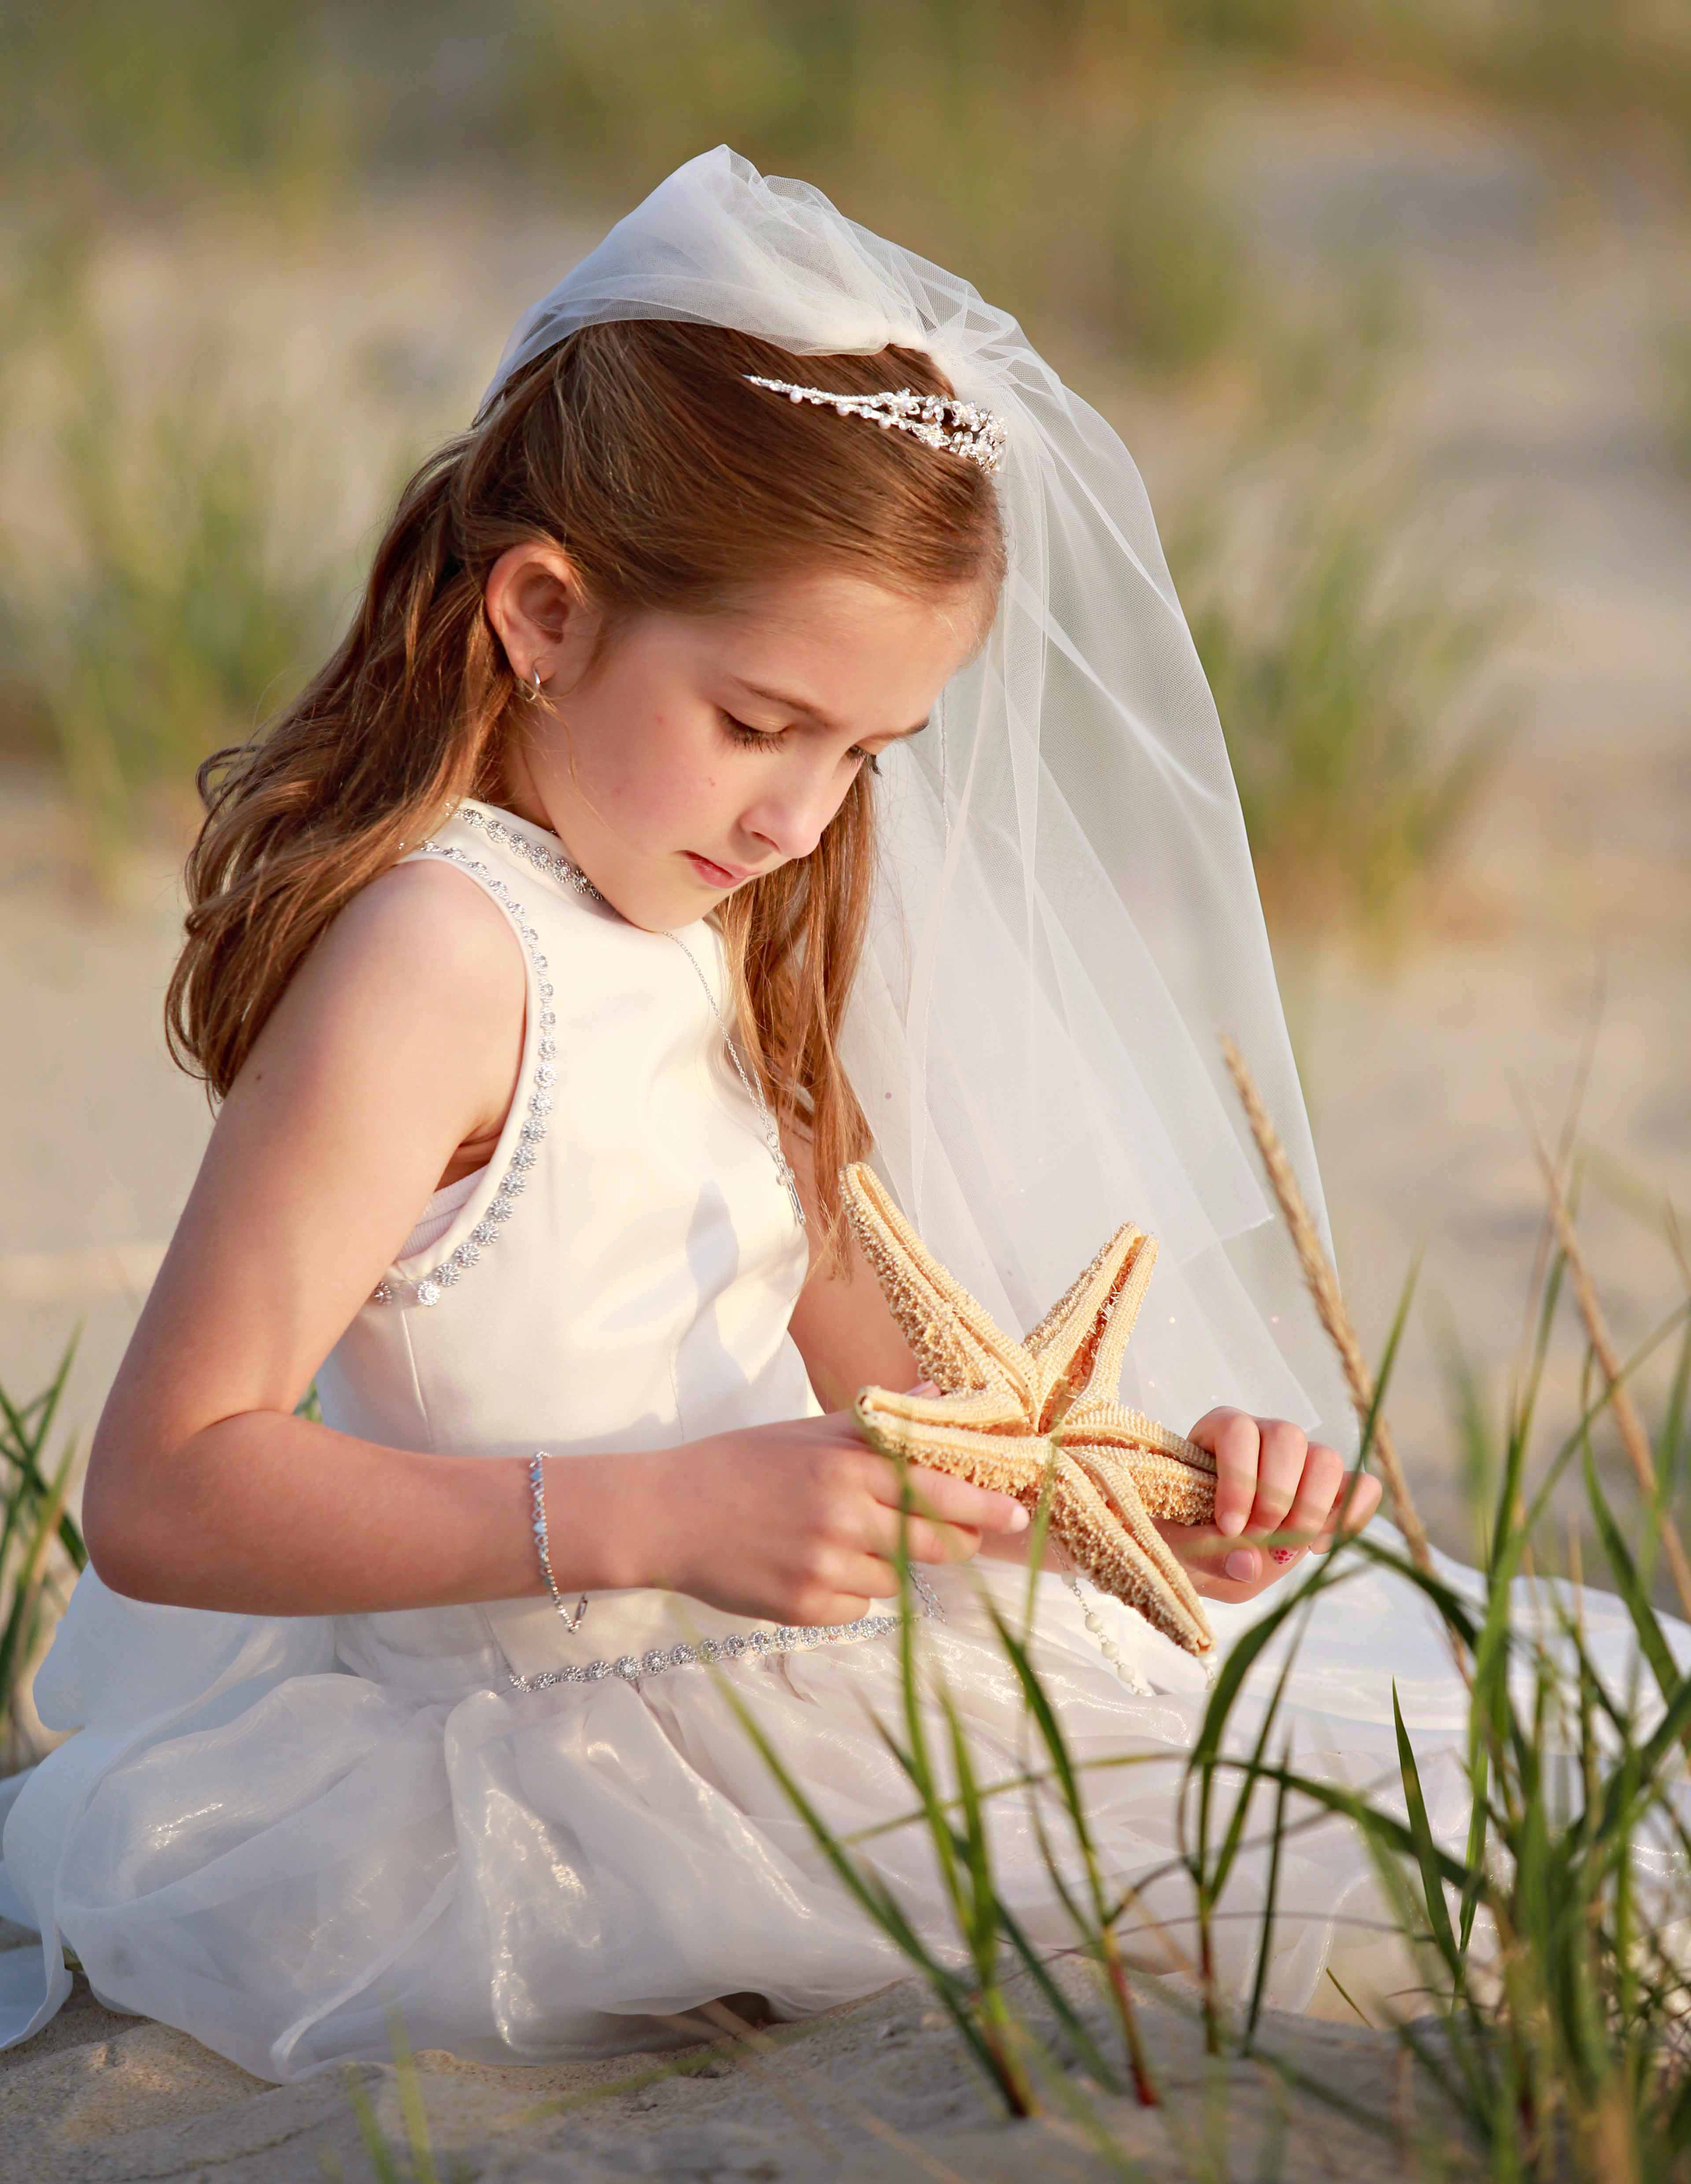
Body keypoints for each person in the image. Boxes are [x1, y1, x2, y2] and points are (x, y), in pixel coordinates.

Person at [0, 151, 1658, 2081]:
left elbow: (918, 1431)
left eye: (869, 753)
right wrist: (655, 1511)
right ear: (544, 613)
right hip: (565, 1761)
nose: (803, 814)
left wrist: (1146, 1503)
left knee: (1536, 1741)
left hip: (824, 1669)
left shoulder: (723, 919)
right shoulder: (441, 959)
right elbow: (165, 1485)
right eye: (758, 721)